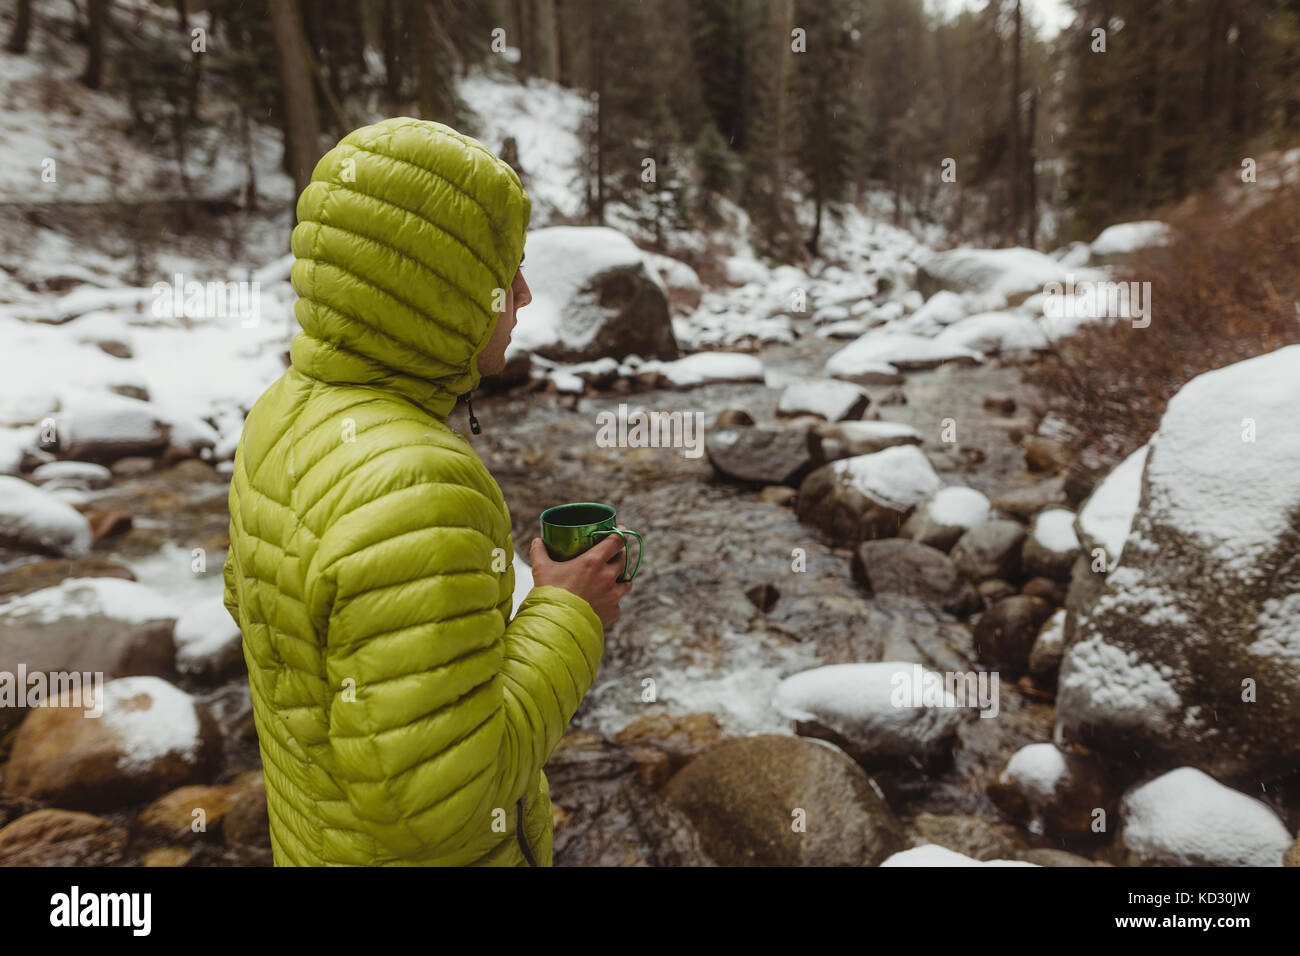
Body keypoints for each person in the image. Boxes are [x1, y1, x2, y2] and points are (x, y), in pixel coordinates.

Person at [221, 117, 631, 866]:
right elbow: (446, 805)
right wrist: (569, 613)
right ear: (441, 290)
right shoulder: (423, 485)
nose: (526, 295)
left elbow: (304, 656)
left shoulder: (281, 415)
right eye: (507, 274)